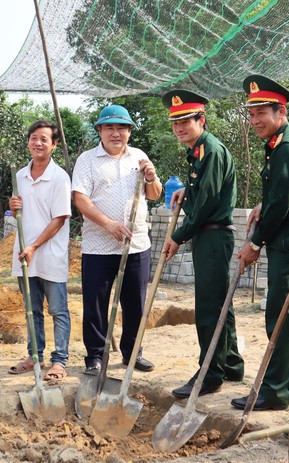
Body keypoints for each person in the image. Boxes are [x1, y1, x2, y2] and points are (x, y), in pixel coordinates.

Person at [231, 75, 289, 411]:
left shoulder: (286, 147)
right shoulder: (283, 142)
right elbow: (284, 194)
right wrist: (262, 205)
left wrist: (255, 243)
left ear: (280, 111)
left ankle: (274, 391)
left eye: (261, 114)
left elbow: (283, 203)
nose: (255, 121)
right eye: (251, 115)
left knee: (280, 312)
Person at [162, 90, 244, 398]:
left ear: (202, 119)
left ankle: (210, 374)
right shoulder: (199, 151)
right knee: (221, 302)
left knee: (209, 306)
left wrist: (178, 235)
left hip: (212, 234)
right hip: (209, 233)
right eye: (175, 123)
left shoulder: (210, 150)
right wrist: (187, 190)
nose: (180, 128)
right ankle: (232, 363)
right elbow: (203, 190)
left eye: (186, 121)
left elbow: (208, 202)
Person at [72, 105, 163, 375]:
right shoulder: (87, 160)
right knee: (96, 304)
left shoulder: (139, 157)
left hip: (135, 246)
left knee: (135, 303)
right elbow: (80, 199)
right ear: (99, 130)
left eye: (121, 127)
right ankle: (96, 356)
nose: (116, 133)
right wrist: (108, 223)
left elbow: (155, 194)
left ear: (129, 132)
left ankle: (133, 353)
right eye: (109, 127)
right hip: (98, 246)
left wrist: (151, 176)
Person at [8, 120, 72, 381]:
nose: (38, 143)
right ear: (28, 142)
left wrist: (34, 246)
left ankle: (60, 361)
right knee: (31, 309)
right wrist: (13, 207)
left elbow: (59, 218)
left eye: (44, 139)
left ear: (54, 145)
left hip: (50, 255)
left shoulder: (59, 177)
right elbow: (20, 214)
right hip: (24, 254)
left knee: (57, 309)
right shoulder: (20, 176)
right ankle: (35, 355)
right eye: (34, 138)